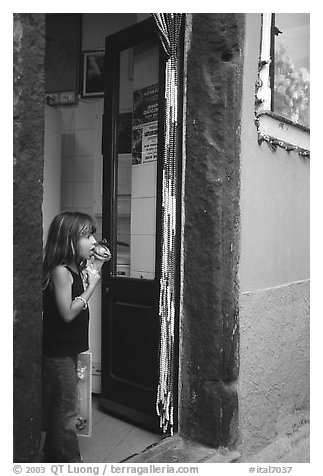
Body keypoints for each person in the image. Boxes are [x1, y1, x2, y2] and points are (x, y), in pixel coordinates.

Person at [41, 211, 104, 463]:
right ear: (68, 239)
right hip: (58, 353)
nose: (93, 242)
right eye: (87, 236)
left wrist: (90, 275)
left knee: (63, 407)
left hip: (67, 350)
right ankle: (70, 462)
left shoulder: (72, 269)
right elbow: (67, 313)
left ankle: (52, 456)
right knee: (67, 411)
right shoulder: (60, 271)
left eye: (93, 236)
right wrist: (90, 289)